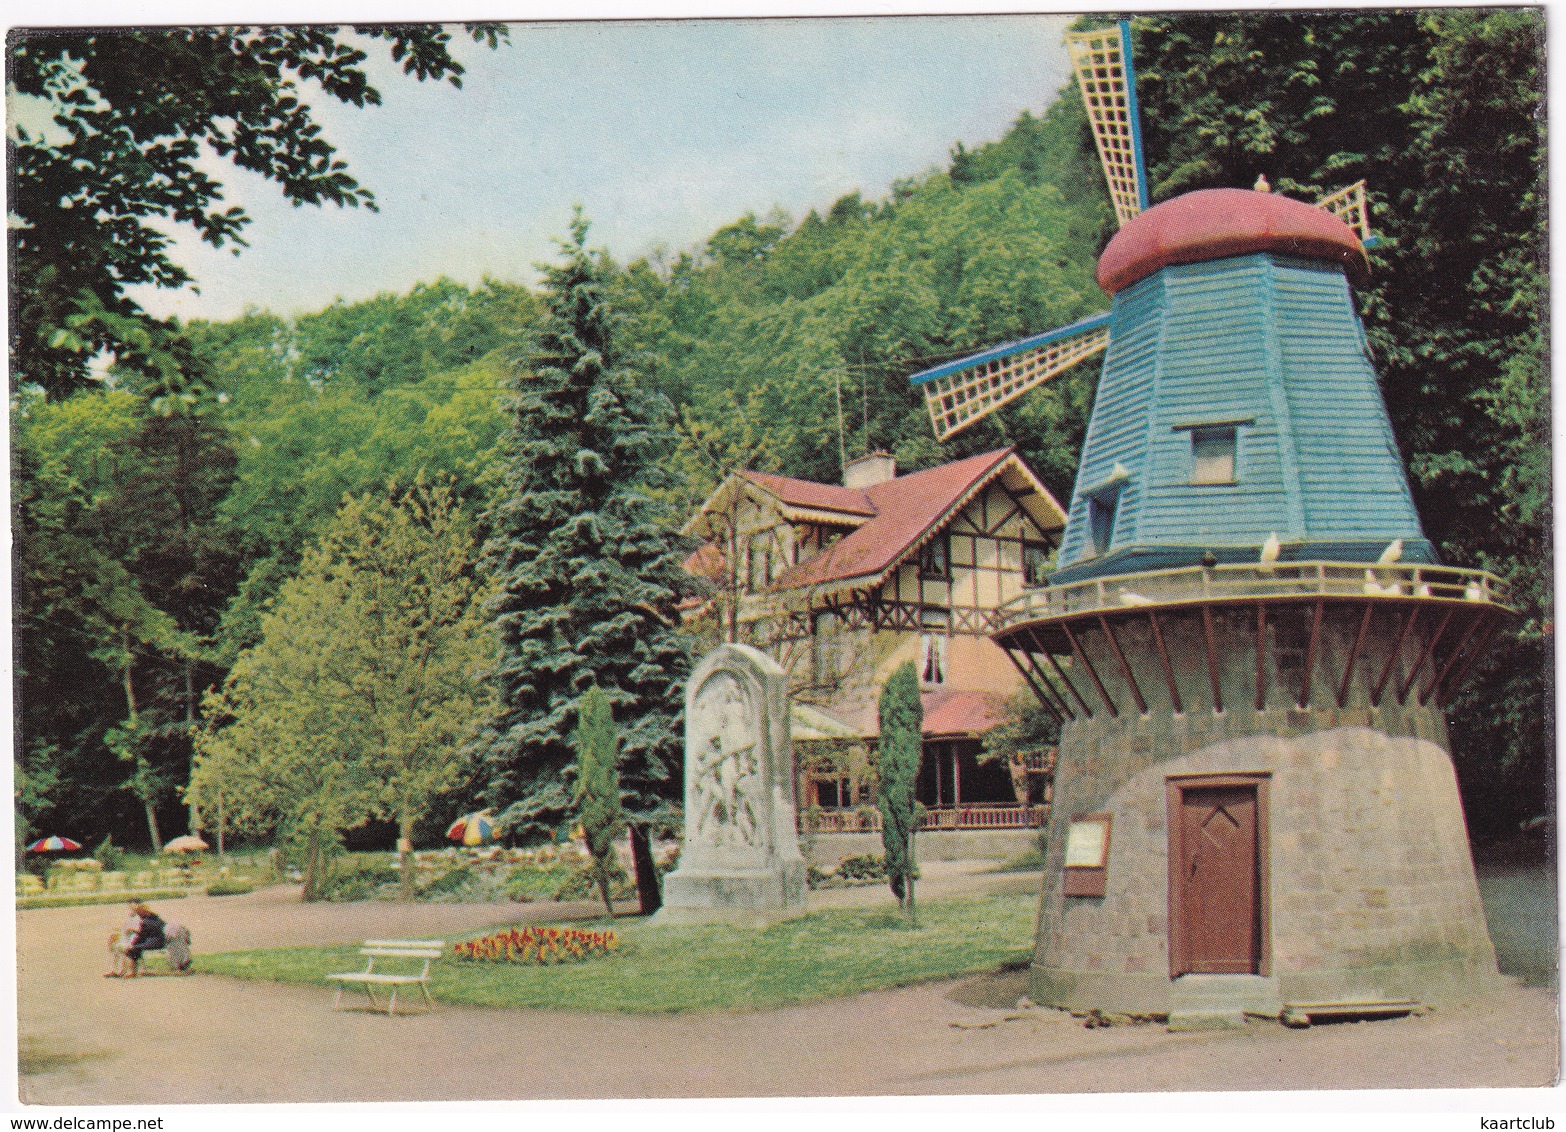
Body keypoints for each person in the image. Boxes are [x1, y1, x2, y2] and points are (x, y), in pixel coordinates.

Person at [120, 903, 166, 978]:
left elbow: (141, 936)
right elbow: (147, 932)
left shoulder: (145, 922)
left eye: (139, 914)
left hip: (154, 942)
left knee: (133, 949)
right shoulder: (156, 918)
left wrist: (132, 944)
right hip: (161, 940)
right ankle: (136, 970)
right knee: (135, 947)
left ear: (141, 913)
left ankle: (133, 972)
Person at [105, 901, 141, 977]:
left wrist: (132, 930)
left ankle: (125, 970)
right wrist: (116, 934)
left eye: (134, 906)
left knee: (123, 948)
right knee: (116, 947)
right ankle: (115, 971)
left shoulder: (141, 916)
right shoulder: (130, 917)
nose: (132, 908)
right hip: (127, 938)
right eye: (130, 906)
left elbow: (142, 930)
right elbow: (124, 929)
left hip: (135, 939)